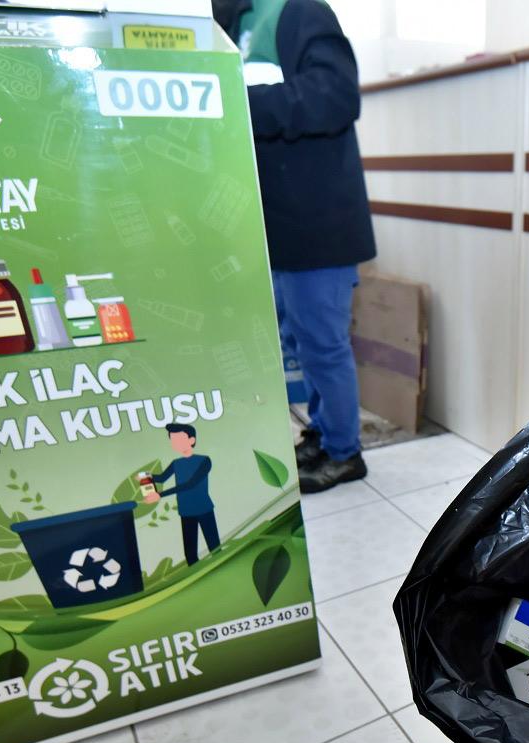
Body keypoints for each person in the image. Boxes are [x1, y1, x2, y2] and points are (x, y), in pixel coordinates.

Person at [213, 0, 375, 494]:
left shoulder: (299, 10)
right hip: (279, 221)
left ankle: (345, 453)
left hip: (317, 220)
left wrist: (235, 100)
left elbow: (336, 95)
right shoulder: (235, 22)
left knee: (323, 344)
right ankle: (324, 433)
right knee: (304, 341)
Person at [144, 423, 219, 565]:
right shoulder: (176, 463)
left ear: (192, 440)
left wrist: (160, 494)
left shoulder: (204, 461)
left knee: (214, 547)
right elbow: (162, 478)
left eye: (179, 439)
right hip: (186, 511)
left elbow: (191, 484)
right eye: (173, 440)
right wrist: (145, 477)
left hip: (204, 509)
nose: (175, 443)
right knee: (190, 554)